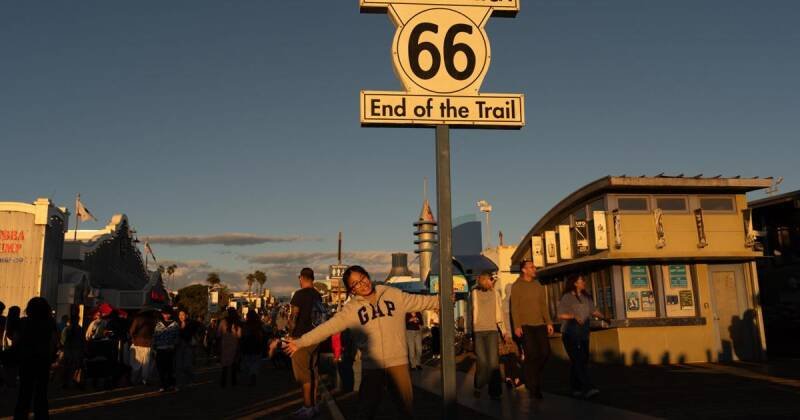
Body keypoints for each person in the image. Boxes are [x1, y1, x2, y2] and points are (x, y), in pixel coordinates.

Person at [285, 265, 441, 420]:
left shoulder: (392, 294)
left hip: (398, 363)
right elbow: (326, 328)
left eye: (363, 278)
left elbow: (421, 300)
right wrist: (300, 342)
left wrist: (441, 300)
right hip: (372, 366)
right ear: (351, 290)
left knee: (406, 409)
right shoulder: (351, 309)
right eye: (355, 283)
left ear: (368, 276)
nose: (362, 284)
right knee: (365, 411)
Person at [557, 273, 607, 399]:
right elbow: (560, 315)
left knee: (581, 361)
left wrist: (604, 317)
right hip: (570, 334)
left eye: (584, 281)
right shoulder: (567, 297)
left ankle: (575, 388)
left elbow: (593, 310)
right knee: (578, 360)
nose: (584, 283)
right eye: (581, 281)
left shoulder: (586, 297)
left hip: (583, 334)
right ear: (574, 283)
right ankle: (589, 387)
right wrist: (573, 316)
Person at [510, 260, 554, 400]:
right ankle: (534, 387)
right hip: (525, 326)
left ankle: (528, 374)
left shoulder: (537, 285)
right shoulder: (517, 286)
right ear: (524, 270)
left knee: (545, 353)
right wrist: (516, 325)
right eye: (531, 267)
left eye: (534, 267)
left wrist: (548, 322)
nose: (535, 269)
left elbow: (543, 305)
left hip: (539, 324)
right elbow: (514, 308)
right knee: (532, 354)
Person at [286, 268, 323, 419]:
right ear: (313, 278)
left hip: (301, 339)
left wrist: (290, 333)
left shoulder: (299, 294)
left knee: (303, 375)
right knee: (313, 371)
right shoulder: (317, 295)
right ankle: (312, 406)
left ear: (301, 278)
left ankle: (307, 406)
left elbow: (294, 316)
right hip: (315, 338)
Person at [14, 297, 59, 420]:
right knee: (41, 394)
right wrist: (50, 359)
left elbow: (16, 341)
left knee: (24, 393)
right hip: (43, 362)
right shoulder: (50, 323)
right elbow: (53, 343)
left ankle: (20, 416)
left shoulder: (23, 322)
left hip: (26, 361)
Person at [469, 270, 509, 400]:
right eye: (486, 279)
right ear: (481, 280)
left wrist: (504, 332)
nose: (490, 282)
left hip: (492, 330)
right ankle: (478, 385)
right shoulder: (474, 293)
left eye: (490, 279)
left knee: (493, 363)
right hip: (478, 332)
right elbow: (471, 312)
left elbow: (500, 313)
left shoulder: (495, 294)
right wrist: (471, 331)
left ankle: (495, 392)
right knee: (482, 362)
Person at [153, 307, 179, 392]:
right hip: (160, 349)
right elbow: (155, 336)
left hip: (170, 349)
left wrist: (174, 345)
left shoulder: (175, 324)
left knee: (171, 368)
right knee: (161, 368)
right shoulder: (158, 324)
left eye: (167, 314)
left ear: (171, 314)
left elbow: (177, 337)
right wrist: (154, 348)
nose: (166, 315)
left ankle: (172, 384)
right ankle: (162, 385)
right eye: (164, 314)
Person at [61, 307, 86, 389]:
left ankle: (67, 383)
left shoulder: (67, 329)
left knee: (68, 368)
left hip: (69, 350)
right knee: (76, 368)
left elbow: (63, 341)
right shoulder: (80, 329)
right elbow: (83, 340)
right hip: (76, 351)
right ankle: (74, 382)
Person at [129, 309, 156, 385]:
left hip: (137, 343)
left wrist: (134, 338)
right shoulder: (153, 320)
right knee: (146, 363)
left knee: (136, 363)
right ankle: (145, 380)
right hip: (148, 343)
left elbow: (131, 331)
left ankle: (134, 380)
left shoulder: (137, 319)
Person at [217, 307, 242, 387]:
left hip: (224, 346)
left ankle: (223, 383)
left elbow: (218, 334)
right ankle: (233, 382)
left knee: (225, 366)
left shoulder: (223, 322)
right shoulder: (237, 323)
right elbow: (240, 336)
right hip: (234, 346)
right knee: (233, 365)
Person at [240, 310, 265, 386]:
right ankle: (253, 375)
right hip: (256, 346)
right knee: (255, 363)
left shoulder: (245, 325)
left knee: (248, 362)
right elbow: (261, 336)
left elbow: (242, 335)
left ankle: (251, 375)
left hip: (247, 346)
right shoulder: (259, 325)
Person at [175, 310, 196, 387]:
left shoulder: (190, 323)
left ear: (186, 315)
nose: (181, 316)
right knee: (178, 366)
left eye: (183, 314)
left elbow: (189, 335)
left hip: (187, 346)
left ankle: (191, 379)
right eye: (180, 314)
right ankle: (179, 382)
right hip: (179, 346)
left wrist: (182, 329)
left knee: (187, 365)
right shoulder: (176, 324)